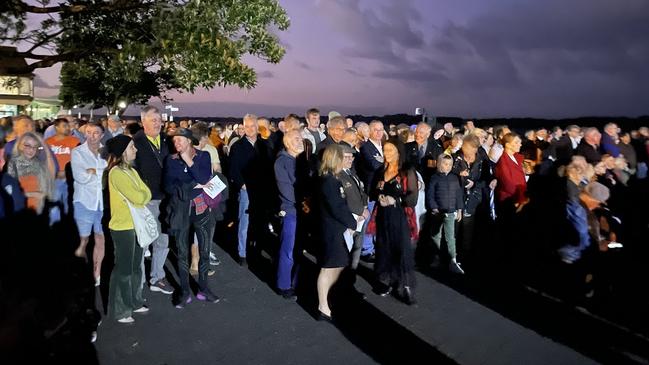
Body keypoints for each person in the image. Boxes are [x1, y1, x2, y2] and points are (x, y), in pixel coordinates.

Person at [164, 128, 220, 307]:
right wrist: (189, 186)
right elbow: (168, 185)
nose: (176, 144)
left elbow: (203, 178)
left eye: (180, 140)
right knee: (182, 253)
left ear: (189, 141)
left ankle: (203, 288)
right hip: (181, 210)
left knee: (204, 250)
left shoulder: (203, 156)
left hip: (201, 209)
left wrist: (188, 161)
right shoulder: (171, 160)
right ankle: (185, 291)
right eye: (174, 141)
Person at [105, 135, 151, 323]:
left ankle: (135, 301)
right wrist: (141, 195)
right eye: (132, 147)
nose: (136, 149)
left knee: (135, 268)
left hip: (135, 225)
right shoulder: (116, 173)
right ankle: (122, 310)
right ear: (123, 150)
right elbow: (140, 197)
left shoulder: (131, 171)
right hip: (123, 227)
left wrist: (141, 195)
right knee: (124, 270)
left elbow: (146, 192)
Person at [369, 138, 419, 304]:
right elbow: (372, 191)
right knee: (384, 247)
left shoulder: (406, 171)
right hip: (383, 215)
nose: (387, 154)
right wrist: (380, 195)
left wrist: (394, 200)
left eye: (390, 150)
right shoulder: (380, 170)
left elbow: (412, 197)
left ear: (399, 152)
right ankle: (385, 280)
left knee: (401, 248)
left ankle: (405, 285)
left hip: (400, 216)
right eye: (385, 150)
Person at [132, 106, 173, 295]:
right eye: (153, 120)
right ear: (143, 122)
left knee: (163, 241)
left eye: (159, 119)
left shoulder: (167, 141)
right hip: (145, 200)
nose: (158, 123)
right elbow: (131, 173)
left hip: (165, 199)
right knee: (143, 243)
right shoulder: (135, 143)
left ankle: (157, 277)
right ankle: (138, 282)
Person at [316, 144, 358, 321]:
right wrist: (352, 222)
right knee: (328, 268)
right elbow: (337, 207)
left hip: (336, 228)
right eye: (343, 157)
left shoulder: (331, 179)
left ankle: (329, 299)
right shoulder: (329, 181)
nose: (346, 161)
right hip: (332, 230)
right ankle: (322, 306)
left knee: (337, 265)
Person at [228, 114, 274, 266]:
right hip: (246, 189)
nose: (249, 129)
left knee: (260, 221)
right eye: (246, 126)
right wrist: (242, 185)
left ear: (257, 127)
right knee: (244, 222)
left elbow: (269, 167)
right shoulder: (237, 146)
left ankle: (257, 250)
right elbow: (233, 169)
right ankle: (242, 253)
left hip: (262, 189)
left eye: (252, 126)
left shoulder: (265, 145)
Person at [71, 122, 108, 286]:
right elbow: (80, 177)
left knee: (100, 238)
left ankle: (96, 272)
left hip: (102, 203)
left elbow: (109, 174)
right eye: (88, 132)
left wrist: (94, 170)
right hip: (84, 201)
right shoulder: (77, 152)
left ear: (102, 135)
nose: (92, 136)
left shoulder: (106, 152)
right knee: (83, 240)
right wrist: (100, 172)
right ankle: (78, 270)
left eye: (96, 133)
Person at [274, 129, 304, 300]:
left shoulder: (301, 160)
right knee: (288, 249)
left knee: (298, 249)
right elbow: (286, 191)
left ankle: (295, 282)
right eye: (295, 139)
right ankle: (284, 285)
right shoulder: (281, 162)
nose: (299, 141)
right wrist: (304, 201)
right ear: (287, 143)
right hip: (291, 211)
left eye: (300, 138)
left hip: (303, 210)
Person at [427, 154, 465, 274]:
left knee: (450, 237)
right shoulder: (434, 178)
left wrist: (459, 209)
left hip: (451, 212)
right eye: (444, 164)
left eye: (449, 164)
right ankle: (436, 257)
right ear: (439, 164)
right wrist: (434, 208)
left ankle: (452, 260)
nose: (447, 167)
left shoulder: (455, 178)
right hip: (438, 212)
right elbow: (430, 194)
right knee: (436, 235)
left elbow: (459, 195)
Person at [6, 132, 56, 215]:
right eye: (27, 146)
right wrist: (34, 194)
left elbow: (51, 176)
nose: (31, 150)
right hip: (20, 212)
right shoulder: (13, 165)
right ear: (20, 146)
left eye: (35, 147)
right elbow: (8, 192)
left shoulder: (39, 164)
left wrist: (45, 147)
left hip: (39, 211)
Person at [45, 117, 80, 215]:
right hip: (54, 179)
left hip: (70, 178)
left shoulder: (75, 141)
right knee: (54, 205)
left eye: (68, 126)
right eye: (64, 126)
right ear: (56, 127)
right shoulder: (48, 142)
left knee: (68, 204)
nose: (67, 128)